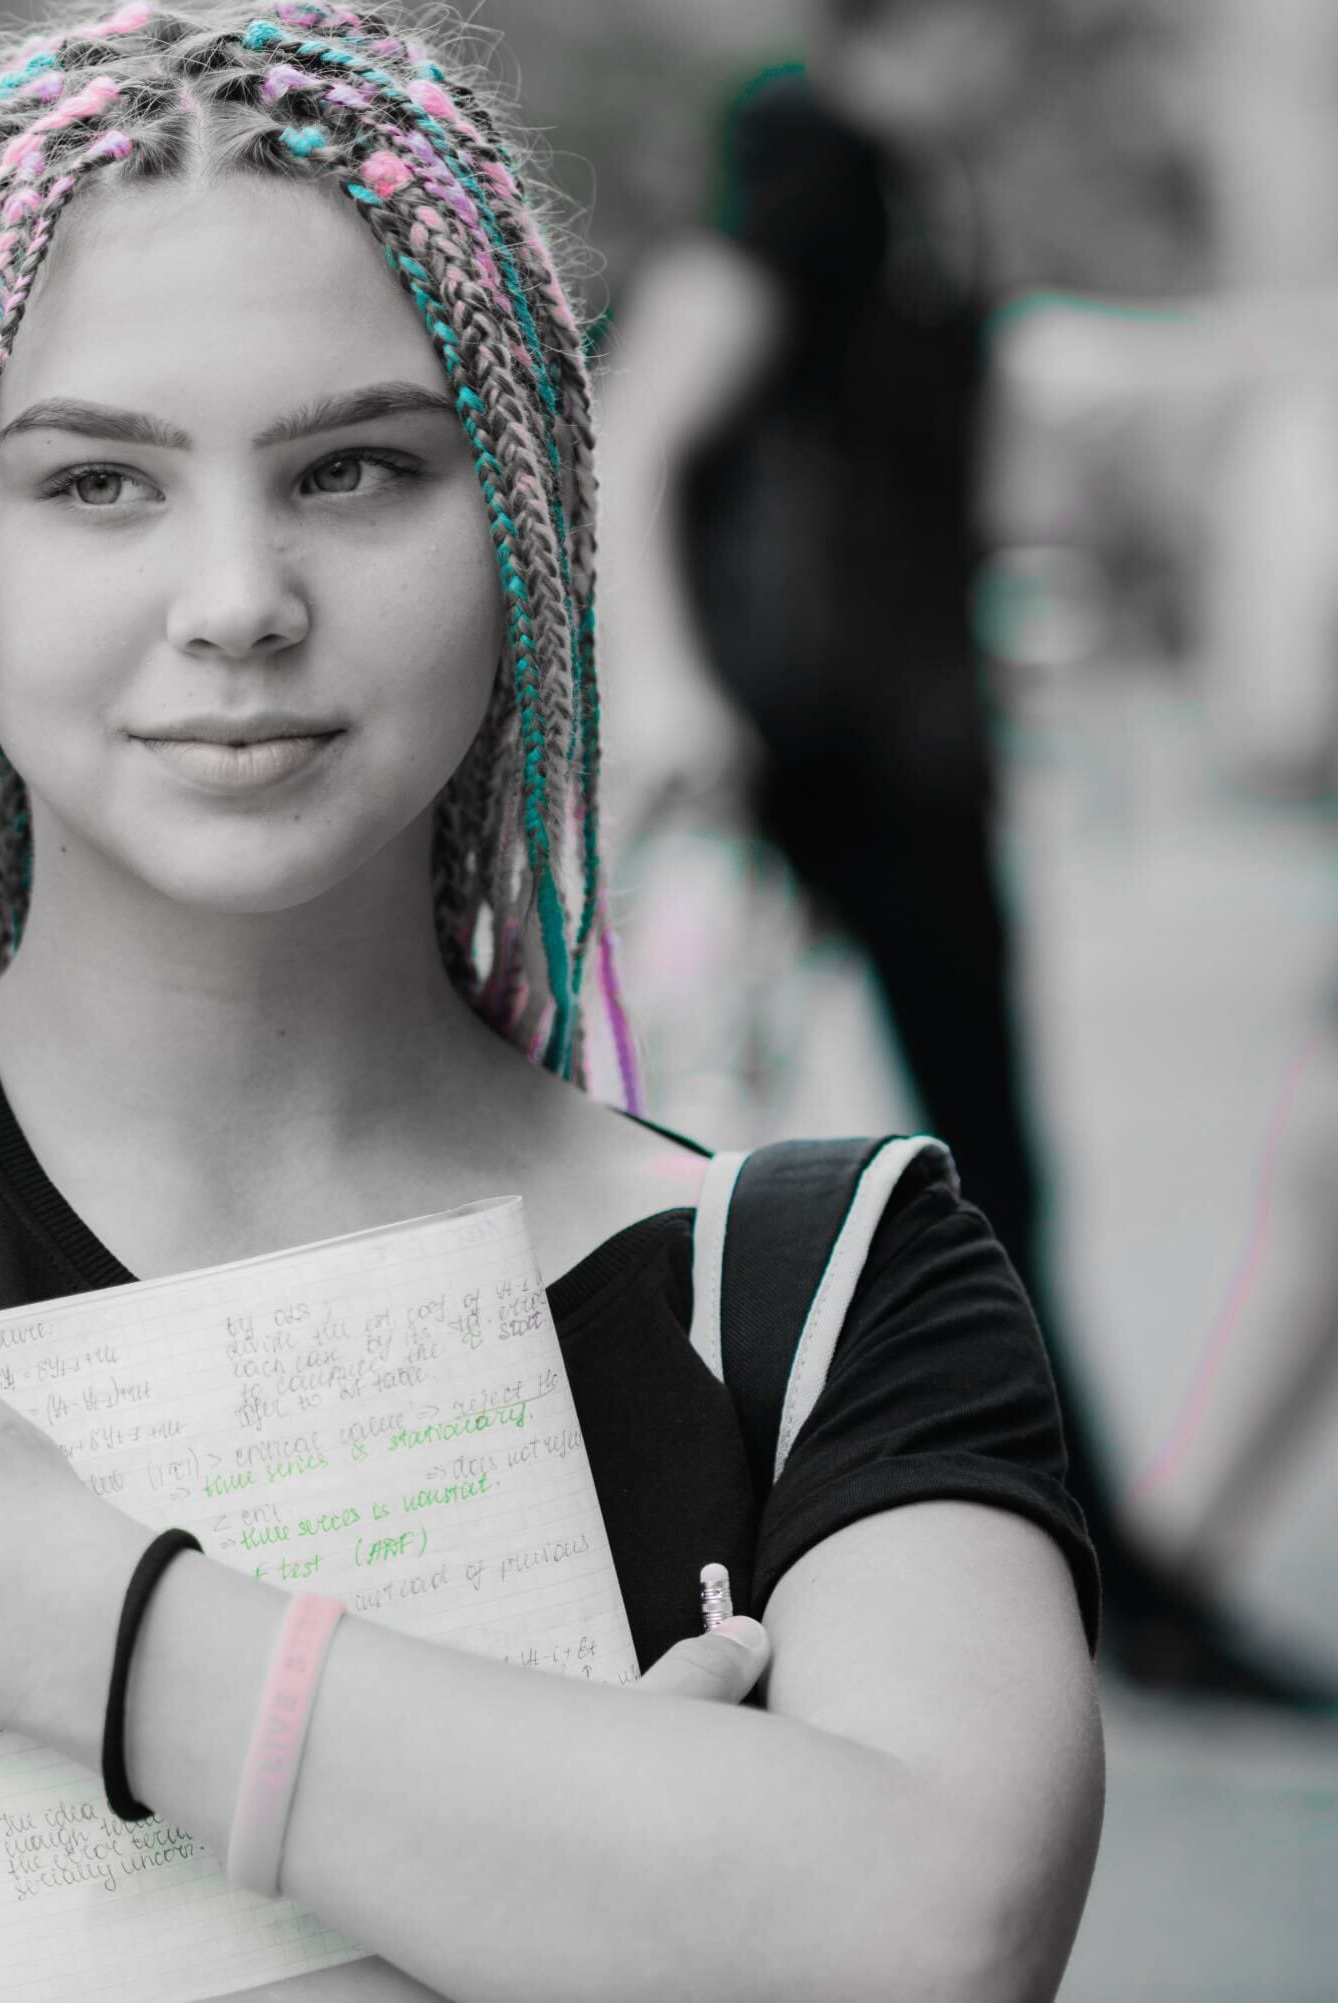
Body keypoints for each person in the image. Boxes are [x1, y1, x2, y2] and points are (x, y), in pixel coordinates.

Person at [0, 7, 1104, 1997]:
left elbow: (933, 1934)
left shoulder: (826, 1298)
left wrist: (73, 1624)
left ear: (522, 539)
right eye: (99, 486)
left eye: (356, 467)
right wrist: (564, 1882)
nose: (239, 596)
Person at [593, 0, 1332, 1707]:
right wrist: (678, 686)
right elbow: (647, 422)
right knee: (723, 1138)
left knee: (955, 1161)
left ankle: (1105, 1573)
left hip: (890, 757)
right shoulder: (813, 161)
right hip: (815, 757)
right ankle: (1069, 1584)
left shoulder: (910, 184)